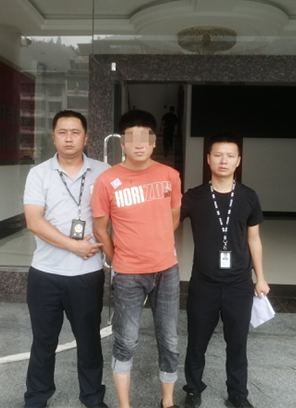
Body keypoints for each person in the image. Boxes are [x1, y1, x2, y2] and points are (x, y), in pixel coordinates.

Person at [91, 109, 182, 408]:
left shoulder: (170, 176)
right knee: (126, 340)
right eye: (132, 138)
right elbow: (100, 229)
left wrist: (155, 242)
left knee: (169, 339)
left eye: (146, 137)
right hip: (128, 273)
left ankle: (167, 402)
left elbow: (173, 219)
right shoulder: (107, 181)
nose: (139, 144)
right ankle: (124, 405)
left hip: (167, 270)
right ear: (122, 143)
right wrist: (119, 258)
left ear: (154, 142)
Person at [23, 110, 110, 408]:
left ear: (86, 137)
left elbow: (121, 215)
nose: (69, 138)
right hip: (45, 273)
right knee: (43, 342)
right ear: (53, 137)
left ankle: (92, 398)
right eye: (62, 132)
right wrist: (74, 246)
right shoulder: (39, 173)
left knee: (89, 341)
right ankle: (36, 398)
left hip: (87, 275)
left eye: (75, 132)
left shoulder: (104, 172)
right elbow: (34, 221)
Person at [180, 132, 270, 408]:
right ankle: (193, 389)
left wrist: (261, 278)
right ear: (208, 159)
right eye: (218, 155)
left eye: (230, 156)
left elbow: (254, 239)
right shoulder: (194, 197)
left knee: (238, 343)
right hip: (203, 284)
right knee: (197, 342)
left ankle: (238, 394)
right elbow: (166, 225)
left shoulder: (248, 197)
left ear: (238, 161)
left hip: (239, 285)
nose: (223, 160)